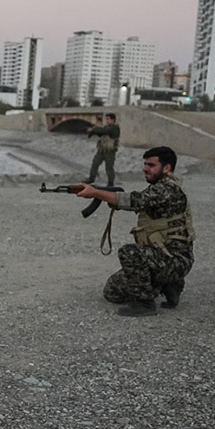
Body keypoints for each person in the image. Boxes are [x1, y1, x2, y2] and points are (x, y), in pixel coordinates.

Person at [75, 146, 194, 317]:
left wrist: (95, 192)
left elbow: (135, 200)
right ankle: (169, 284)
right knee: (112, 291)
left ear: (167, 168)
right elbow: (139, 202)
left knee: (129, 252)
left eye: (151, 165)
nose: (145, 168)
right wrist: (109, 197)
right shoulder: (161, 187)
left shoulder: (168, 189)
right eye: (145, 164)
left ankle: (145, 303)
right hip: (163, 257)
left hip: (174, 259)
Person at [84, 113, 120, 187]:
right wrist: (93, 131)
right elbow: (101, 133)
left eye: (108, 119)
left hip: (110, 151)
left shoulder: (115, 128)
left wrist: (94, 129)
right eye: (106, 119)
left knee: (109, 167)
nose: (106, 121)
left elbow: (105, 131)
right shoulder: (106, 127)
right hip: (101, 150)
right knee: (95, 163)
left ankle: (110, 183)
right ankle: (91, 179)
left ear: (113, 120)